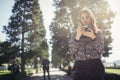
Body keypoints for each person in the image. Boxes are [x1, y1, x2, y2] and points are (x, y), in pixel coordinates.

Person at [69, 8, 105, 80]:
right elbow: (72, 51)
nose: (85, 20)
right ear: (80, 20)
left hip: (96, 67)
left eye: (87, 17)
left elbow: (101, 50)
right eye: (82, 17)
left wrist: (93, 37)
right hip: (80, 67)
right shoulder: (74, 33)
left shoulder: (98, 33)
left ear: (91, 18)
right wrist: (77, 37)